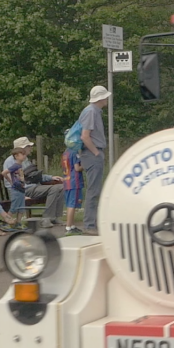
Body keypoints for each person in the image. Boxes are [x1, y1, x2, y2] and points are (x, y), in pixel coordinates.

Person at [2, 137, 66, 229]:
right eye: (28, 146)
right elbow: (8, 181)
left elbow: (34, 176)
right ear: (21, 148)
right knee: (56, 188)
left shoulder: (25, 160)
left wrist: (51, 177)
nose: (30, 148)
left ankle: (54, 217)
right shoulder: (10, 161)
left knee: (61, 187)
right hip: (24, 190)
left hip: (33, 187)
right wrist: (20, 193)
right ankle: (46, 219)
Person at [79, 85, 112, 236]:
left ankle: (93, 223)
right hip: (92, 154)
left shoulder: (93, 111)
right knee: (93, 190)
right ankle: (89, 224)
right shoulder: (91, 112)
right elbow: (85, 136)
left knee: (95, 189)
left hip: (93, 154)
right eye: (105, 96)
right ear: (101, 98)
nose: (107, 99)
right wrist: (96, 152)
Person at [61, 147, 84, 236]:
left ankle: (72, 225)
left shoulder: (65, 153)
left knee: (69, 204)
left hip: (67, 180)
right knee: (72, 205)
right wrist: (84, 165)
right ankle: (68, 227)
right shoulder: (74, 153)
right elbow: (77, 168)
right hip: (74, 182)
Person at [4, 148, 28, 222]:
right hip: (16, 189)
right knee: (14, 207)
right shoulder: (15, 166)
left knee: (21, 207)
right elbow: (4, 173)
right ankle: (6, 222)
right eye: (22, 154)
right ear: (16, 156)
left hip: (21, 188)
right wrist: (10, 181)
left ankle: (18, 222)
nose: (24, 156)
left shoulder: (20, 166)